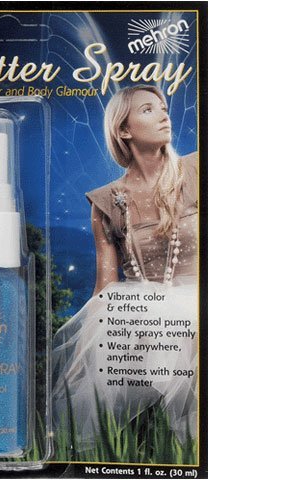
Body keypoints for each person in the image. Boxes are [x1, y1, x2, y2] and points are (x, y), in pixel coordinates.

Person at [52, 85, 198, 449]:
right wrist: (83, 352)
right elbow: (106, 283)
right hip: (139, 315)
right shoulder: (106, 201)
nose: (164, 115)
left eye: (163, 108)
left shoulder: (198, 168)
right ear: (123, 130)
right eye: (148, 110)